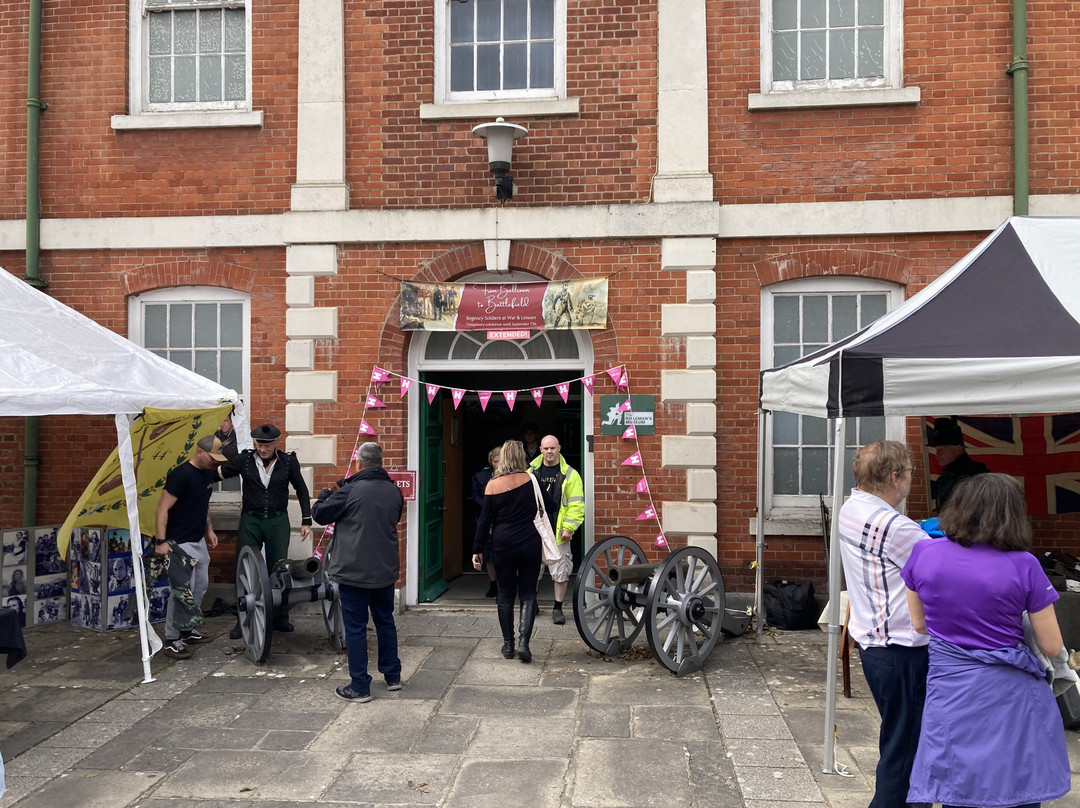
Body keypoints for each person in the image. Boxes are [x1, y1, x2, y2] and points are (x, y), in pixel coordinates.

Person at [901, 474, 1070, 808]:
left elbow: (920, 625)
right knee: (1017, 787)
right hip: (1009, 693)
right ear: (1012, 515)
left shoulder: (923, 552)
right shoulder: (1025, 565)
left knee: (957, 786)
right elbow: (1052, 646)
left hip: (950, 687)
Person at [837, 440, 930, 808]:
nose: (910, 479)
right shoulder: (894, 526)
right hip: (902, 650)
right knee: (906, 755)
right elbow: (938, 568)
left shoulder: (851, 507)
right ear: (895, 477)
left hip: (875, 644)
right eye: (909, 473)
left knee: (900, 742)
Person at [312, 442, 404, 703]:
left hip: (354, 571)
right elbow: (393, 519)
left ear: (358, 463)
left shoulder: (351, 491)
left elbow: (320, 514)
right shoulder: (394, 491)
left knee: (355, 627)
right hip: (384, 569)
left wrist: (323, 495)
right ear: (380, 462)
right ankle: (392, 676)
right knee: (385, 620)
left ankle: (360, 686)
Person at [218, 422, 313, 637]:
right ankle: (243, 619)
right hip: (251, 519)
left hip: (277, 520)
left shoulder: (288, 462)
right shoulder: (244, 460)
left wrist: (306, 520)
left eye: (267, 446)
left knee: (278, 567)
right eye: (259, 445)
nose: (262, 450)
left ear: (275, 444)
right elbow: (218, 473)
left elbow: (301, 490)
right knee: (245, 567)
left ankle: (280, 616)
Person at [154, 434, 228, 660]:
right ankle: (172, 639)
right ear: (199, 452)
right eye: (212, 458)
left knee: (201, 586)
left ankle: (187, 630)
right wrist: (161, 541)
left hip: (197, 539)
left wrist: (210, 530)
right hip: (178, 541)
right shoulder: (180, 475)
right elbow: (162, 509)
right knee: (182, 592)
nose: (215, 463)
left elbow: (203, 505)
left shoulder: (206, 474)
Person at [472, 440, 542, 662]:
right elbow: (549, 505)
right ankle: (524, 643)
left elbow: (484, 522)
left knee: (505, 594)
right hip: (530, 540)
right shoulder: (532, 480)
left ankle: (509, 645)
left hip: (502, 543)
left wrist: (477, 549)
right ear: (522, 457)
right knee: (529, 593)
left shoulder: (492, 484)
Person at [528, 434, 585, 625]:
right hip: (536, 529)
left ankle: (557, 608)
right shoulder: (531, 472)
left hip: (559, 531)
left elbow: (577, 505)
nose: (549, 452)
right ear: (541, 450)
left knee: (561, 570)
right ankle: (532, 604)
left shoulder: (570, 474)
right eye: (545, 448)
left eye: (552, 448)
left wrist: (569, 528)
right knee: (532, 568)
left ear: (559, 448)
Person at [932, 416, 989, 511]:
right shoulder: (945, 476)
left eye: (942, 450)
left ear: (958, 449)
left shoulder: (978, 474)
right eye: (937, 450)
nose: (937, 454)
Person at [471, 446, 501, 598]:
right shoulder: (481, 476)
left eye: (500, 461)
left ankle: (505, 584)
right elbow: (474, 494)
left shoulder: (513, 477)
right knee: (488, 554)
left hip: (504, 520)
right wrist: (485, 503)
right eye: (495, 461)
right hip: (486, 519)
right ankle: (493, 584)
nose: (497, 464)